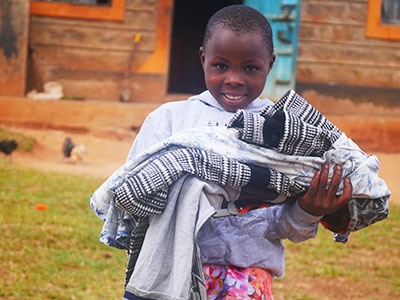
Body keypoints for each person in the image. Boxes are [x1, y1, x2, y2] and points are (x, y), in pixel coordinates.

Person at [90, 5, 389, 300]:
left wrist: (309, 210)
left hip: (248, 282)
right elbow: (136, 193)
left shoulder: (285, 131)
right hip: (171, 274)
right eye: (220, 65)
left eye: (250, 68)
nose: (234, 78)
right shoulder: (168, 120)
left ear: (270, 64)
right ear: (203, 58)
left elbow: (282, 224)